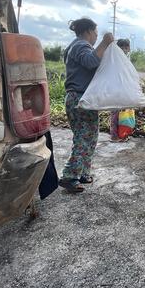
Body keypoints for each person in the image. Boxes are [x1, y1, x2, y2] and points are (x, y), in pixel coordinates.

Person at [59, 17, 114, 193]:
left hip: (81, 98)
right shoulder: (80, 45)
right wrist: (105, 43)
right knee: (84, 138)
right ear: (88, 31)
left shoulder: (75, 46)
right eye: (96, 33)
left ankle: (82, 172)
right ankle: (69, 176)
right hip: (80, 99)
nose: (97, 37)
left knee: (89, 136)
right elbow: (91, 61)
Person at [110, 38, 132, 142]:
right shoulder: (114, 59)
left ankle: (123, 134)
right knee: (115, 114)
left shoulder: (127, 59)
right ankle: (114, 136)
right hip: (115, 90)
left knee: (125, 114)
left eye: (126, 47)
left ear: (129, 49)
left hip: (124, 90)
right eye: (121, 47)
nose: (123, 49)